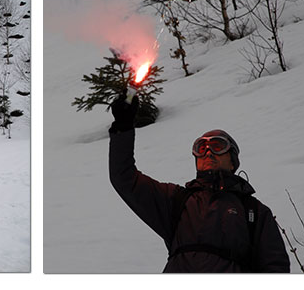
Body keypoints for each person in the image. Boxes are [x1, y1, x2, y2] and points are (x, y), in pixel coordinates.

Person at [107, 94, 290, 273]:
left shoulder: (255, 211)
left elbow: (275, 268)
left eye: (218, 146)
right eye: (201, 148)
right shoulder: (177, 201)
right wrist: (123, 128)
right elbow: (124, 178)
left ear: (233, 160)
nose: (208, 152)